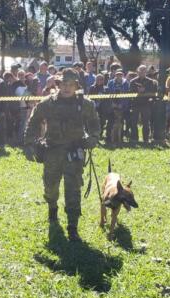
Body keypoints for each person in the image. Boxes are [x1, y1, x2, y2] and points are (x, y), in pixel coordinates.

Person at [24, 69, 101, 242]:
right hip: (52, 151)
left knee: (73, 190)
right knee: (50, 187)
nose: (67, 88)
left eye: (71, 85)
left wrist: (94, 137)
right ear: (58, 85)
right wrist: (29, 144)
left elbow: (95, 122)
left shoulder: (85, 104)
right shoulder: (47, 104)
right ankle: (52, 208)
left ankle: (72, 226)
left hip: (74, 152)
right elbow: (33, 122)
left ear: (76, 86)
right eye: (63, 84)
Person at [128, 65, 159, 143]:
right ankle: (134, 138)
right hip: (135, 104)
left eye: (144, 70)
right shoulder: (133, 81)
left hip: (146, 104)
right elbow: (129, 93)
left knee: (146, 123)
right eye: (140, 70)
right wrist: (137, 91)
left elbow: (153, 93)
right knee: (134, 122)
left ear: (146, 72)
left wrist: (144, 91)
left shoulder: (151, 82)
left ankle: (145, 139)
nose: (142, 72)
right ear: (137, 71)